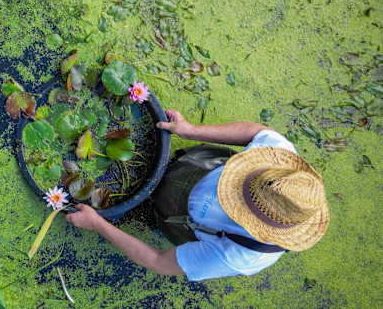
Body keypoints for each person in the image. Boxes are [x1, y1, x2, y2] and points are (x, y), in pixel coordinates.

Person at [64, 110, 329, 281]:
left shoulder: (242, 254)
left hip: (178, 215)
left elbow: (159, 261)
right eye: (240, 184)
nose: (233, 192)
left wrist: (98, 224)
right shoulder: (284, 168)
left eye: (240, 201)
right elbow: (258, 132)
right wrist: (191, 130)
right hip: (196, 166)